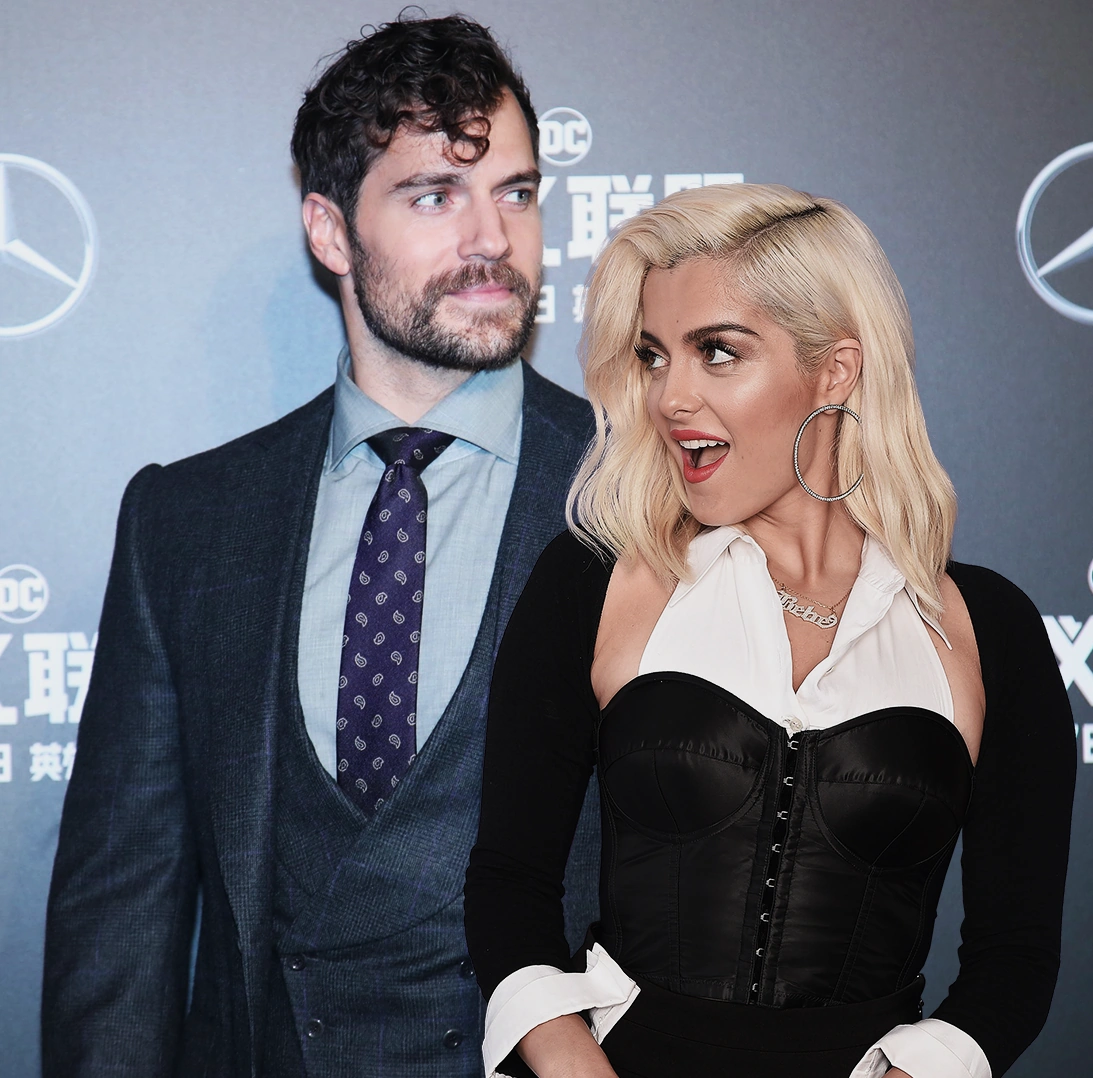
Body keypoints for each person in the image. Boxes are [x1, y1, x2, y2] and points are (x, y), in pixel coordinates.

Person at [42, 15, 598, 1077]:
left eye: (516, 193)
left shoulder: (640, 493)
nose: (492, 237)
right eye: (434, 196)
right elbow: (122, 916)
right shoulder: (186, 522)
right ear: (331, 233)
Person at [464, 183, 1075, 1078]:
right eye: (653, 355)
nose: (671, 397)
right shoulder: (597, 579)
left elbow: (1013, 958)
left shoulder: (985, 627)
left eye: (717, 352)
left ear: (834, 371)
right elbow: (508, 885)